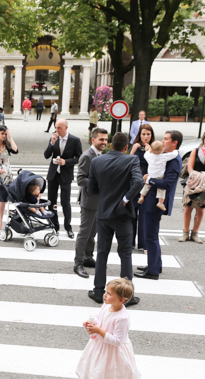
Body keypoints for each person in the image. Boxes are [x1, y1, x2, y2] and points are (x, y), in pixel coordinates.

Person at [87, 132, 143, 307]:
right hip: (123, 214)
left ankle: (98, 291)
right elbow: (138, 182)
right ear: (126, 147)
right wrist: (125, 199)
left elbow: (91, 189)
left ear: (111, 145)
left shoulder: (96, 161)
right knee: (125, 254)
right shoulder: (131, 160)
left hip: (104, 213)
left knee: (102, 253)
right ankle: (127, 296)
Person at [77, 278, 140, 379]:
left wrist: (99, 331)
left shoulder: (122, 318)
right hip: (102, 346)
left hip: (113, 352)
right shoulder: (107, 305)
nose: (105, 295)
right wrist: (91, 324)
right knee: (99, 373)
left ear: (121, 300)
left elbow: (117, 340)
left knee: (109, 377)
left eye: (109, 294)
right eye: (106, 291)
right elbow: (100, 317)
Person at [135, 131, 182, 281]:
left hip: (155, 203)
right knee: (151, 235)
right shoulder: (166, 156)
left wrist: (149, 180)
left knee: (150, 236)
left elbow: (167, 183)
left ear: (174, 142)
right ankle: (155, 265)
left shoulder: (174, 159)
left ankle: (153, 271)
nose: (163, 141)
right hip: (151, 201)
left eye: (166, 139)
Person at [178, 129, 205, 245]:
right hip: (193, 181)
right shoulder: (196, 151)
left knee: (201, 209)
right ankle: (185, 233)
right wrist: (195, 176)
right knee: (188, 207)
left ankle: (195, 233)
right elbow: (190, 168)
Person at [74, 128, 108, 279]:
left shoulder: (100, 154)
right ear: (93, 140)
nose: (104, 142)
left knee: (92, 232)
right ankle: (78, 263)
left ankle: (88, 257)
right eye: (101, 139)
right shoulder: (87, 156)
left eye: (106, 139)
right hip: (89, 200)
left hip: (98, 200)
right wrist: (100, 183)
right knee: (84, 233)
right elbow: (81, 179)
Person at [44, 118, 82, 238]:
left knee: (65, 202)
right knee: (52, 202)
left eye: (59, 127)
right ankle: (55, 226)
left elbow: (79, 157)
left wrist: (66, 162)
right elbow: (46, 155)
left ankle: (68, 227)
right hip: (53, 175)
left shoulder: (75, 140)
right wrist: (52, 143)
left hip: (65, 175)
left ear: (66, 127)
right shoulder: (54, 138)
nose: (57, 130)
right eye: (56, 127)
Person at [128, 124, 156, 251]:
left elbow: (158, 165)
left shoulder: (155, 147)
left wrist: (151, 150)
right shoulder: (135, 146)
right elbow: (127, 163)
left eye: (148, 134)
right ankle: (130, 242)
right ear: (139, 134)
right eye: (143, 134)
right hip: (134, 183)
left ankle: (144, 244)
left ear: (151, 135)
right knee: (132, 213)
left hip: (148, 185)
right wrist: (133, 150)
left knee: (145, 214)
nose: (145, 137)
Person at [0, 125, 19, 233]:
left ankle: (1, 222)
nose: (4, 135)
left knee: (3, 199)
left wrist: (10, 136)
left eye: (5, 133)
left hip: (6, 174)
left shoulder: (7, 145)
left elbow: (16, 150)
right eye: (2, 133)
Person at [137, 141, 179, 212]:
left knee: (146, 186)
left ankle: (141, 197)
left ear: (151, 150)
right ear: (163, 150)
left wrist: (148, 150)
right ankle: (160, 202)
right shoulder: (164, 157)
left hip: (150, 175)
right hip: (159, 177)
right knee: (161, 189)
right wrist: (176, 150)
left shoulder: (149, 156)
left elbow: (145, 154)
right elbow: (174, 154)